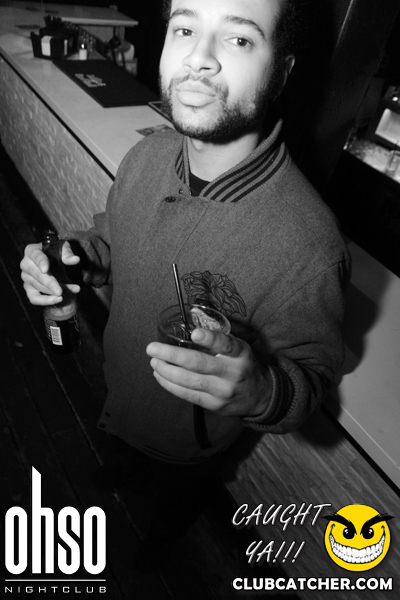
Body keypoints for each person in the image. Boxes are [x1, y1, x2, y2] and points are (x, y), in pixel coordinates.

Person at [20, 0, 350, 571]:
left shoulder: (311, 245)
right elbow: (110, 242)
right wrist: (68, 258)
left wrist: (261, 393)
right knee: (123, 454)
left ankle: (159, 546)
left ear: (282, 72)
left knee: (173, 502)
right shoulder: (147, 154)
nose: (199, 57)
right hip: (119, 390)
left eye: (239, 39)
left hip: (189, 444)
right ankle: (123, 466)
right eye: (185, 28)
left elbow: (312, 376)